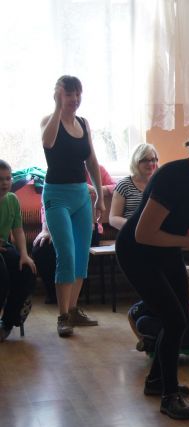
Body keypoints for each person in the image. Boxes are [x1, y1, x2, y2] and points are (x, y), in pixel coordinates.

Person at [116, 114, 189, 420]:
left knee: (179, 317)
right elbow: (143, 234)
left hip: (166, 248)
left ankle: (157, 381)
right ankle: (169, 395)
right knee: (174, 318)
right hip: (136, 250)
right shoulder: (172, 176)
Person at [40, 75, 106, 337]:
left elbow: (91, 160)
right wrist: (58, 107)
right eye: (69, 94)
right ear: (59, 95)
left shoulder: (84, 123)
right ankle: (63, 316)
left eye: (78, 94)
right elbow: (48, 143)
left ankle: (74, 309)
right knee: (66, 255)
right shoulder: (49, 121)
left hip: (81, 195)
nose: (75, 99)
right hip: (56, 195)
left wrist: (100, 196)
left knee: (80, 256)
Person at [31, 164, 111, 304]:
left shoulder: (97, 169)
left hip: (89, 227)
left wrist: (97, 190)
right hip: (60, 224)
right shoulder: (57, 170)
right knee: (41, 248)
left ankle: (74, 296)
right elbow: (47, 205)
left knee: (76, 249)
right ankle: (55, 294)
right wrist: (45, 229)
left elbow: (115, 186)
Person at [0, 160, 37, 342]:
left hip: (4, 246)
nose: (5, 183)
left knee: (26, 269)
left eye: (8, 178)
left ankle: (8, 321)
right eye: (0, 179)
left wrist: (24, 254)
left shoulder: (12, 200)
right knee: (2, 276)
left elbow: (18, 230)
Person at [109, 144, 159, 230]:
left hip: (156, 232)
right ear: (136, 162)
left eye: (153, 159)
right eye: (145, 160)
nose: (150, 163)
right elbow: (113, 219)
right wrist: (136, 226)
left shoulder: (160, 184)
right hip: (131, 232)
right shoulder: (124, 184)